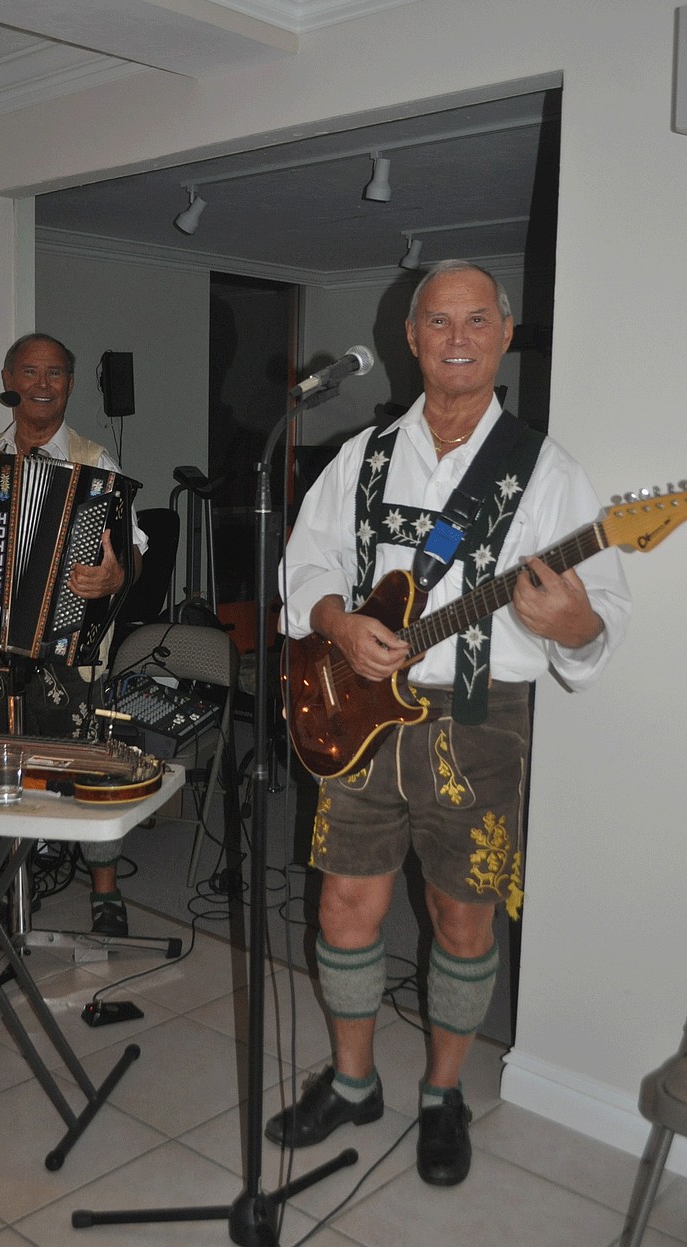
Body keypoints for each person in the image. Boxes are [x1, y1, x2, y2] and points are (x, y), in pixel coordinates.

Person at [265, 262, 631, 1185]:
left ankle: (442, 1094)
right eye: (439, 321)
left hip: (478, 720)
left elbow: (603, 618)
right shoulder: (364, 455)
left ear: (505, 334)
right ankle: (353, 1082)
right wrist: (337, 623)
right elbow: (303, 567)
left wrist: (575, 623)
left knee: (461, 916)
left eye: (477, 320)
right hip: (358, 715)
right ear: (412, 337)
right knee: (347, 903)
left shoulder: (547, 471)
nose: (458, 337)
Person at [0, 333, 146, 938]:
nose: (42, 383)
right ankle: (3, 886)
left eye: (55, 373)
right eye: (30, 371)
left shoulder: (96, 460)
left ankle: (105, 888)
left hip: (70, 645)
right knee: (0, 767)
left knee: (90, 764)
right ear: (8, 378)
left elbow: (134, 546)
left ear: (70, 385)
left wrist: (114, 572)